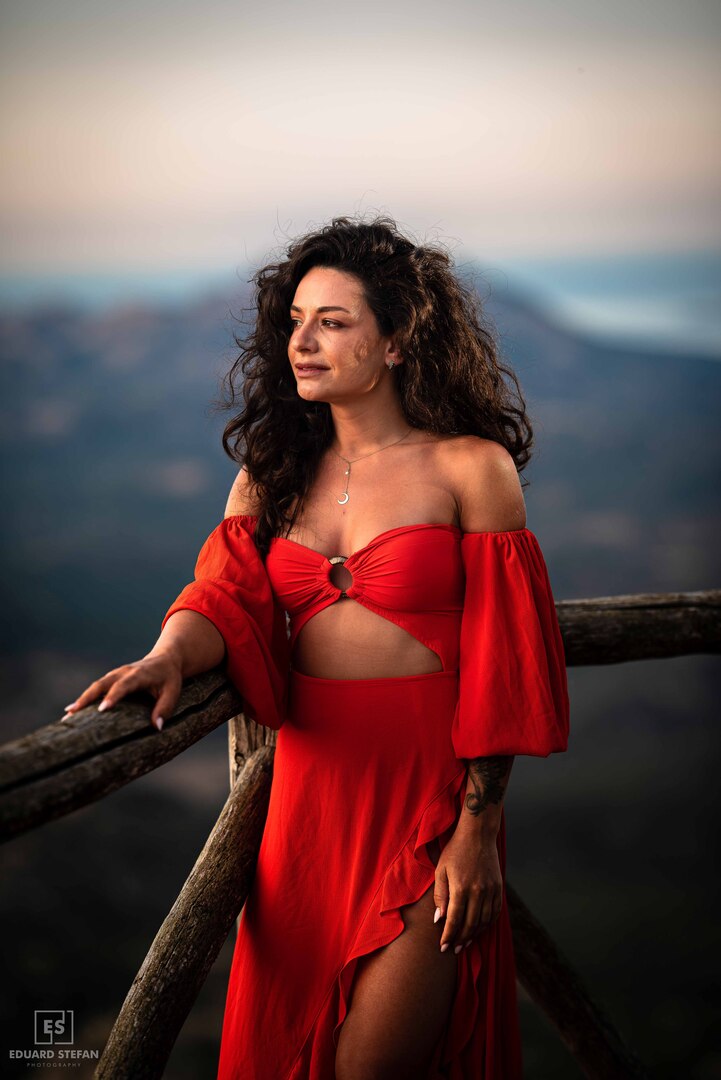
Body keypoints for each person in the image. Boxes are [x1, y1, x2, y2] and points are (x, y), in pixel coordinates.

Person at [62, 214, 570, 1079]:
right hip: (303, 805)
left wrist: (475, 831)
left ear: (399, 338)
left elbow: (507, 660)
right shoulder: (269, 472)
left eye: (332, 322)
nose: (301, 341)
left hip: (428, 798)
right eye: (295, 320)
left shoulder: (468, 467)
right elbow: (222, 597)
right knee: (288, 1048)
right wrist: (168, 657)